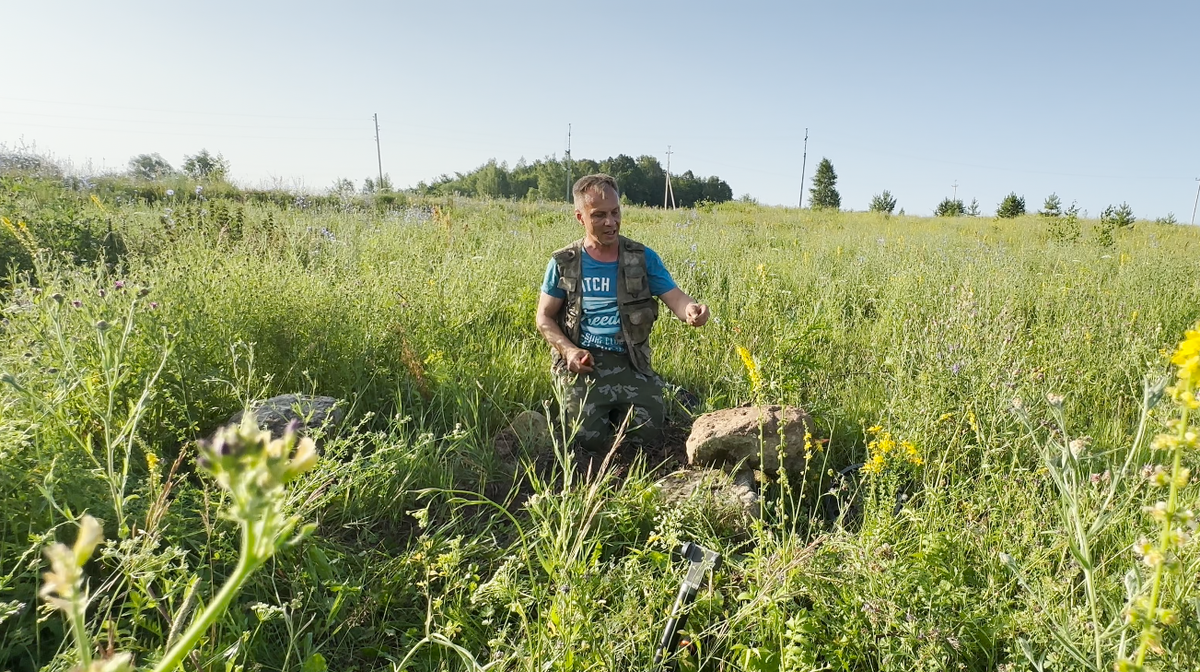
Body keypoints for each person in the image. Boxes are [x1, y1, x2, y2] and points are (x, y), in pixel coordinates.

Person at [536, 174, 709, 451]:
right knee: (586, 440)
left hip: (631, 362)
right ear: (580, 217)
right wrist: (568, 351)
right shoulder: (564, 263)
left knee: (647, 437)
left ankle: (653, 391)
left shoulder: (641, 258)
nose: (611, 222)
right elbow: (544, 317)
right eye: (599, 215)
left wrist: (691, 309)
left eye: (615, 212)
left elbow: (675, 298)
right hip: (584, 366)